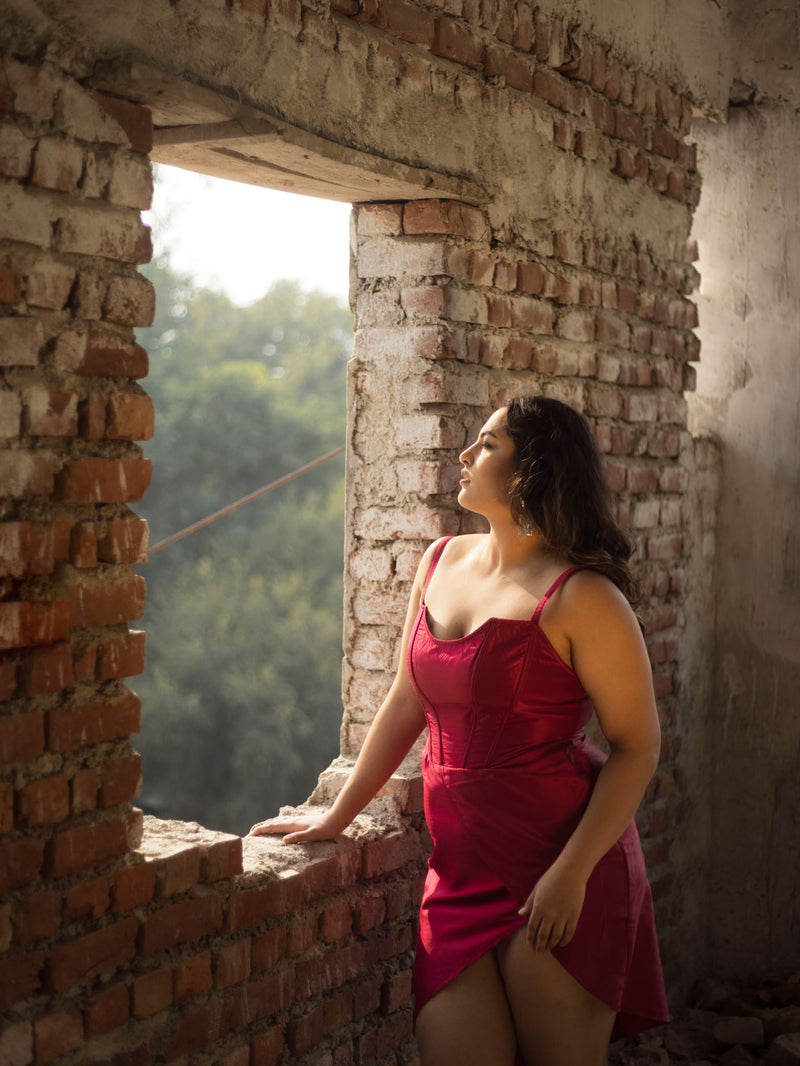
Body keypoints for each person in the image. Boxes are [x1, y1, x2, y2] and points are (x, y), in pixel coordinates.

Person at [249, 395, 670, 1066]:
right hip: (458, 877)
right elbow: (405, 701)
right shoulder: (440, 560)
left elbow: (637, 747)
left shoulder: (585, 597)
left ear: (532, 469)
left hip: (560, 869)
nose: (465, 455)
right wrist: (337, 815)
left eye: (487, 444)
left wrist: (573, 871)